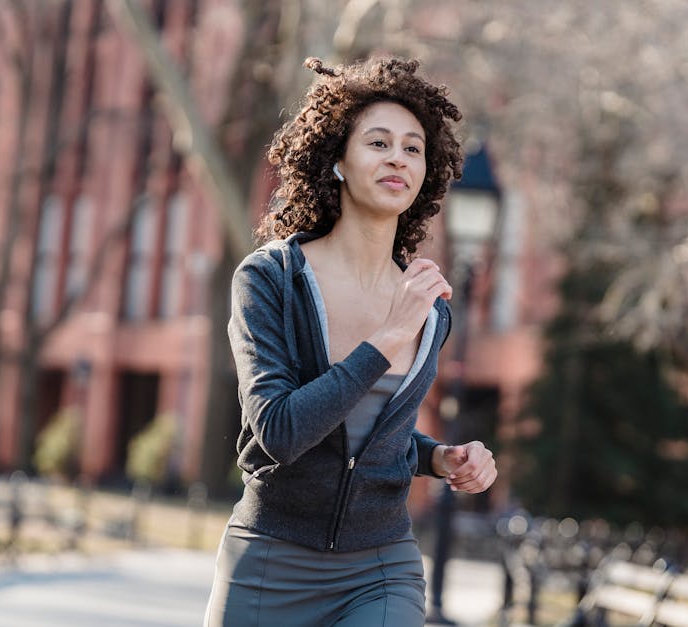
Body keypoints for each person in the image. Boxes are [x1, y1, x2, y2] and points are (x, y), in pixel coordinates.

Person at [203, 56, 498, 627]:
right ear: (337, 160)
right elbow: (282, 429)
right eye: (379, 142)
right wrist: (388, 336)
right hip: (270, 562)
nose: (397, 158)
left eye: (413, 148)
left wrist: (439, 458)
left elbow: (367, 434)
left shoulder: (429, 307)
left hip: (381, 567)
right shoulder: (271, 280)